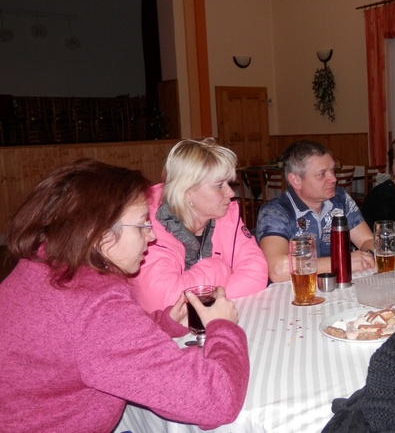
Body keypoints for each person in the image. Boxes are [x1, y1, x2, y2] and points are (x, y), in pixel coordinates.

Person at [0, 159, 249, 433]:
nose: (152, 236)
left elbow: (81, 340)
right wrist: (222, 326)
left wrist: (162, 323)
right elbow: (216, 401)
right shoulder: (94, 304)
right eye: (143, 224)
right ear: (99, 234)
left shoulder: (42, 264)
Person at [130, 138, 268, 313]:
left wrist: (207, 297)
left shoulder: (225, 216)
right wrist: (219, 267)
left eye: (228, 183)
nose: (230, 192)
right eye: (219, 185)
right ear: (188, 192)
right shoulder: (148, 229)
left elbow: (257, 274)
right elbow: (166, 301)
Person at [256, 140, 375, 283]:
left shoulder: (340, 198)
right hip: (296, 291)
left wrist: (368, 255)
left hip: (337, 286)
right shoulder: (276, 211)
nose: (333, 179)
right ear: (296, 181)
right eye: (322, 174)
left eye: (332, 170)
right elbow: (277, 270)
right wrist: (342, 262)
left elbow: (367, 240)